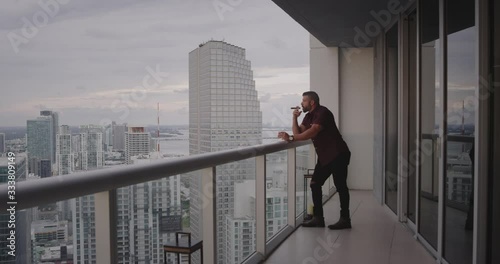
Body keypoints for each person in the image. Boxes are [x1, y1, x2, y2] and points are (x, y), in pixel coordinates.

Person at [278, 91, 352, 229]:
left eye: (304, 101)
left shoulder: (323, 112)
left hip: (338, 154)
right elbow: (298, 133)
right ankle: (318, 218)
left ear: (312, 102)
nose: (301, 103)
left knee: (340, 186)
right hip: (325, 157)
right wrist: (294, 118)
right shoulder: (308, 116)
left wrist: (291, 139)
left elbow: (312, 132)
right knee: (314, 183)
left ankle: (345, 219)